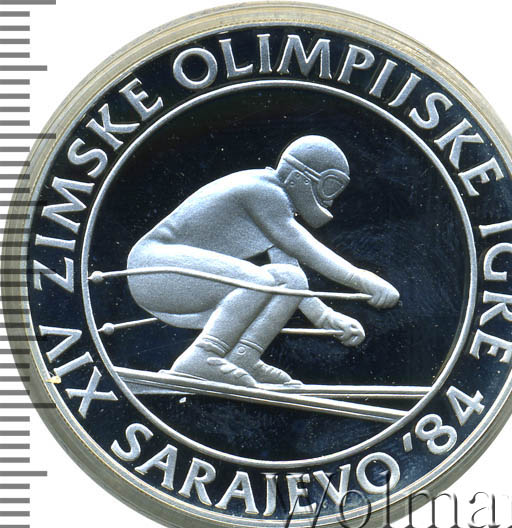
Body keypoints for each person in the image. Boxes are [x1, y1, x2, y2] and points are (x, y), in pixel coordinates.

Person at [127, 135, 399, 387]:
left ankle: (242, 357)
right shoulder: (264, 192)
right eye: (328, 185)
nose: (329, 199)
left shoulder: (273, 202)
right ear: (298, 177)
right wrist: (361, 279)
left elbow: (292, 275)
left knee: (289, 279)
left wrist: (325, 317)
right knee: (256, 281)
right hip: (152, 269)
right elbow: (307, 249)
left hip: (174, 276)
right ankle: (200, 356)